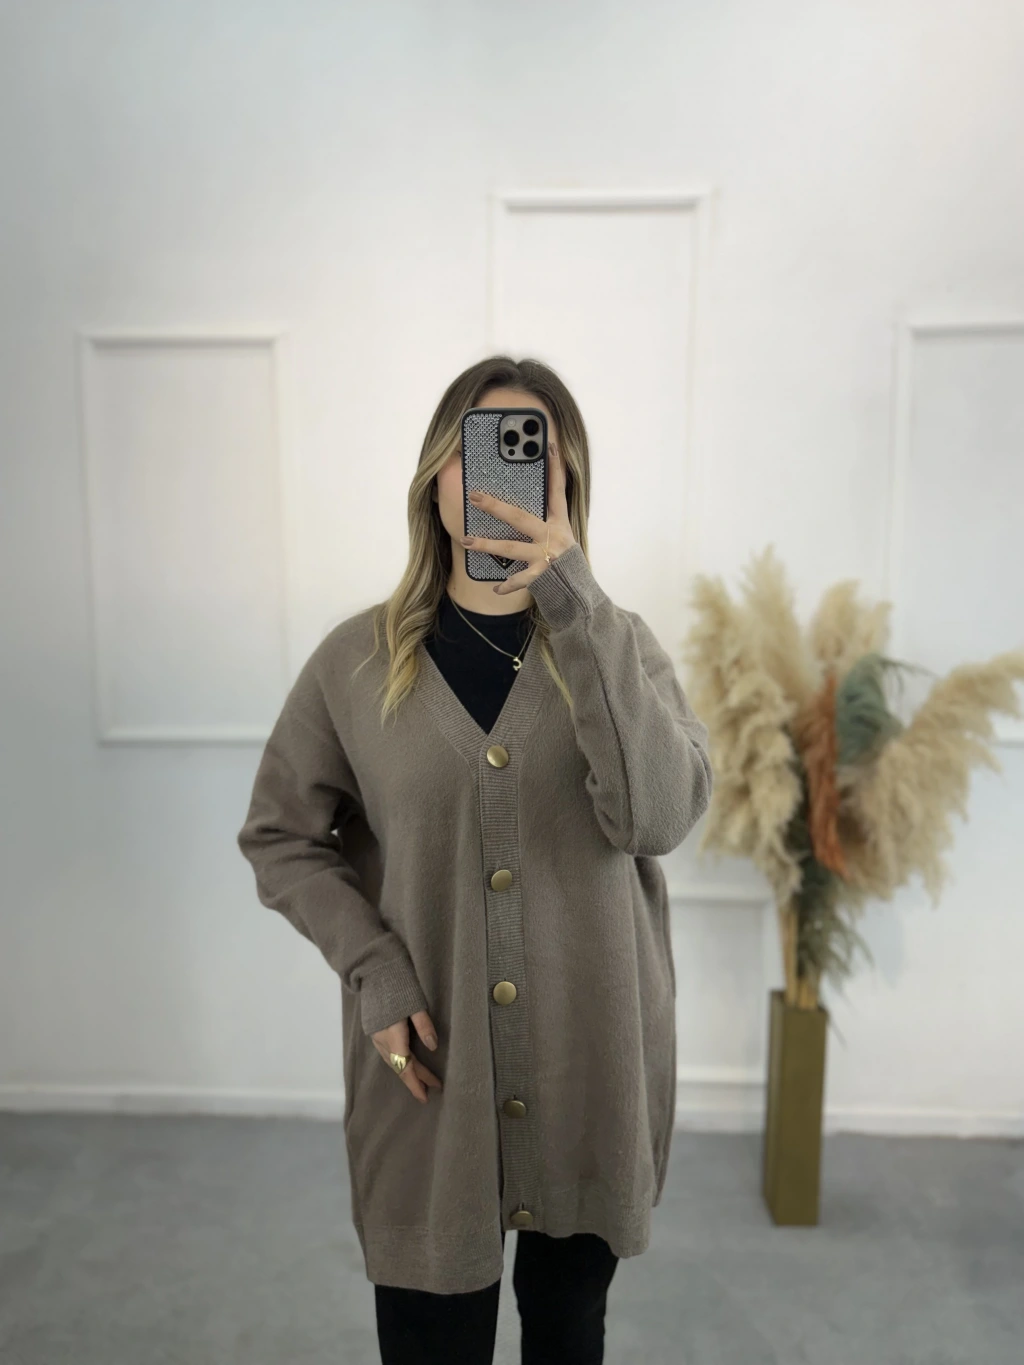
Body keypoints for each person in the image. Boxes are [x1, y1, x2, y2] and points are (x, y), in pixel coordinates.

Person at [237, 355, 714, 1364]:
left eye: (531, 455)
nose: (497, 476)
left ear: (565, 485)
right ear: (435, 476)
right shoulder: (355, 662)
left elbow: (658, 818)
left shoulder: (620, 648)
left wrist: (575, 601)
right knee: (430, 1340)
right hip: (433, 1075)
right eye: (477, 449)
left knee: (568, 1330)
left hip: (590, 1065)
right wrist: (373, 966)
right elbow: (280, 834)